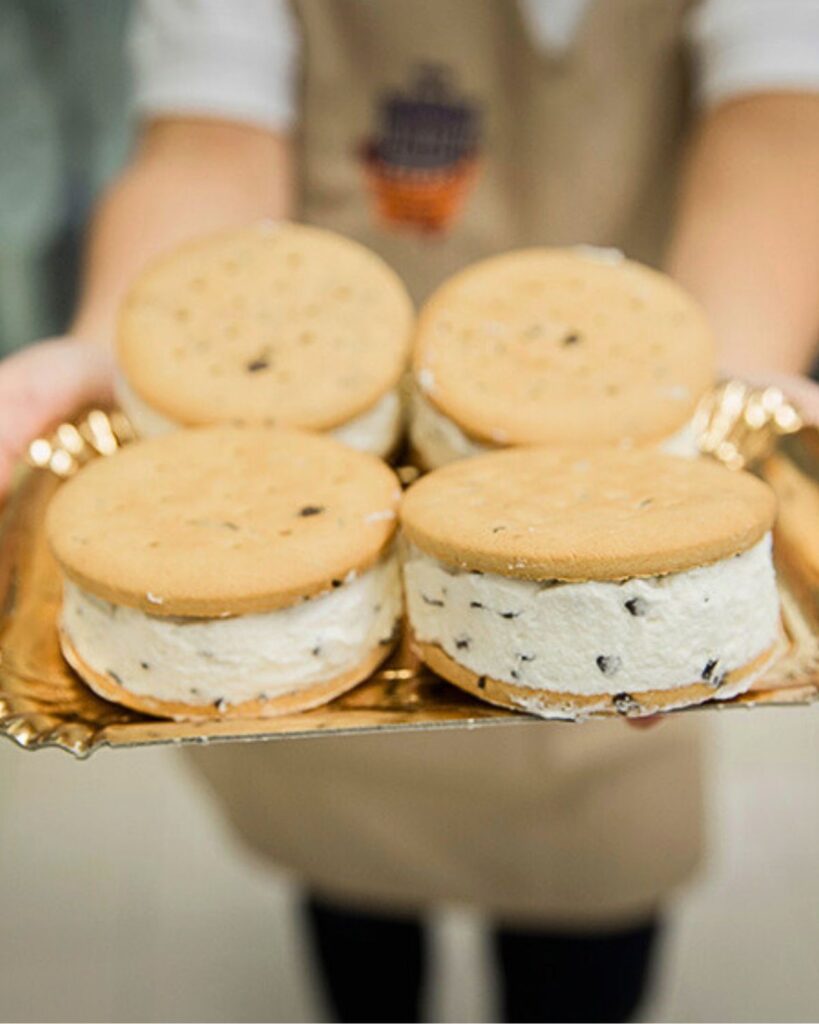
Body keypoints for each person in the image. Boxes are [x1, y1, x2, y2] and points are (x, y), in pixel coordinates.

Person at [2, 2, 818, 1020]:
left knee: (587, 929)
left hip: (631, 465)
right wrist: (118, 339)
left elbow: (782, 117)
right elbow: (208, 134)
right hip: (307, 463)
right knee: (355, 906)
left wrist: (718, 394)